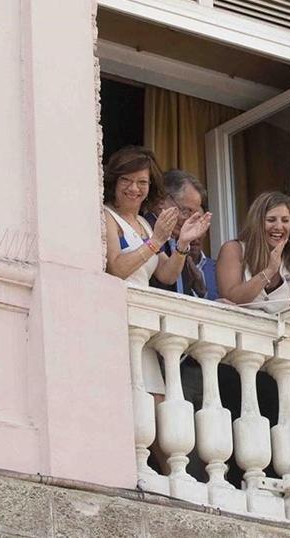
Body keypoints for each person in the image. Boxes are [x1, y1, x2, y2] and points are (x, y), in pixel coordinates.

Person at [102, 146, 212, 398]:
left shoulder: (142, 223)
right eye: (126, 180)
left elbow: (166, 274)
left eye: (142, 182)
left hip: (144, 326)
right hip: (120, 320)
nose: (134, 188)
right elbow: (116, 268)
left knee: (157, 404)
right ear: (114, 181)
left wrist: (182, 244)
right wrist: (156, 241)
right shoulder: (107, 216)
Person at [216, 191, 290, 314]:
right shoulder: (234, 250)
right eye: (271, 220)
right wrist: (269, 270)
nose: (279, 226)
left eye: (285, 220)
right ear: (257, 223)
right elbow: (231, 300)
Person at [148, 170, 219, 300]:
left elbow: (182, 293)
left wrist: (214, 304)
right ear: (161, 201)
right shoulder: (147, 229)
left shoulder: (177, 239)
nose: (188, 221)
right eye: (185, 211)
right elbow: (167, 278)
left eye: (193, 214)